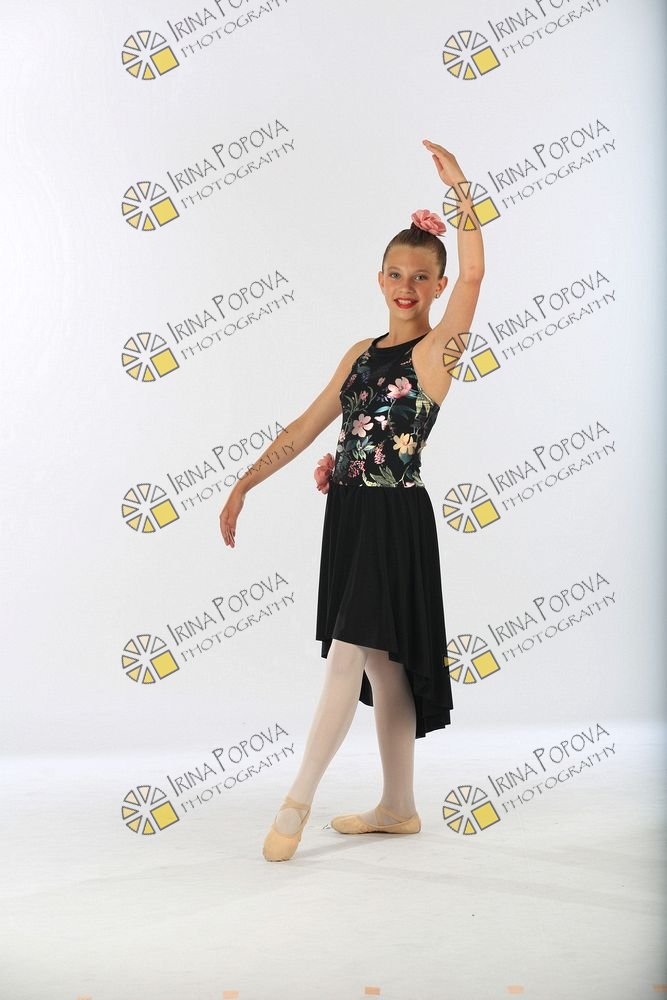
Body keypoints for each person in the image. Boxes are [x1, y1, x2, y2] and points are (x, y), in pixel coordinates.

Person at [219, 139, 485, 861]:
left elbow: (476, 273)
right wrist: (245, 482)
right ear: (379, 278)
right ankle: (398, 807)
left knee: (346, 651)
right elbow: (308, 426)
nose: (407, 286)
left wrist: (460, 188)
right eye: (396, 273)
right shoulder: (361, 353)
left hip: (393, 518)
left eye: (422, 277)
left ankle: (296, 801)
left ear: (438, 286)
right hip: (349, 514)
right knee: (381, 664)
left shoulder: (438, 352)